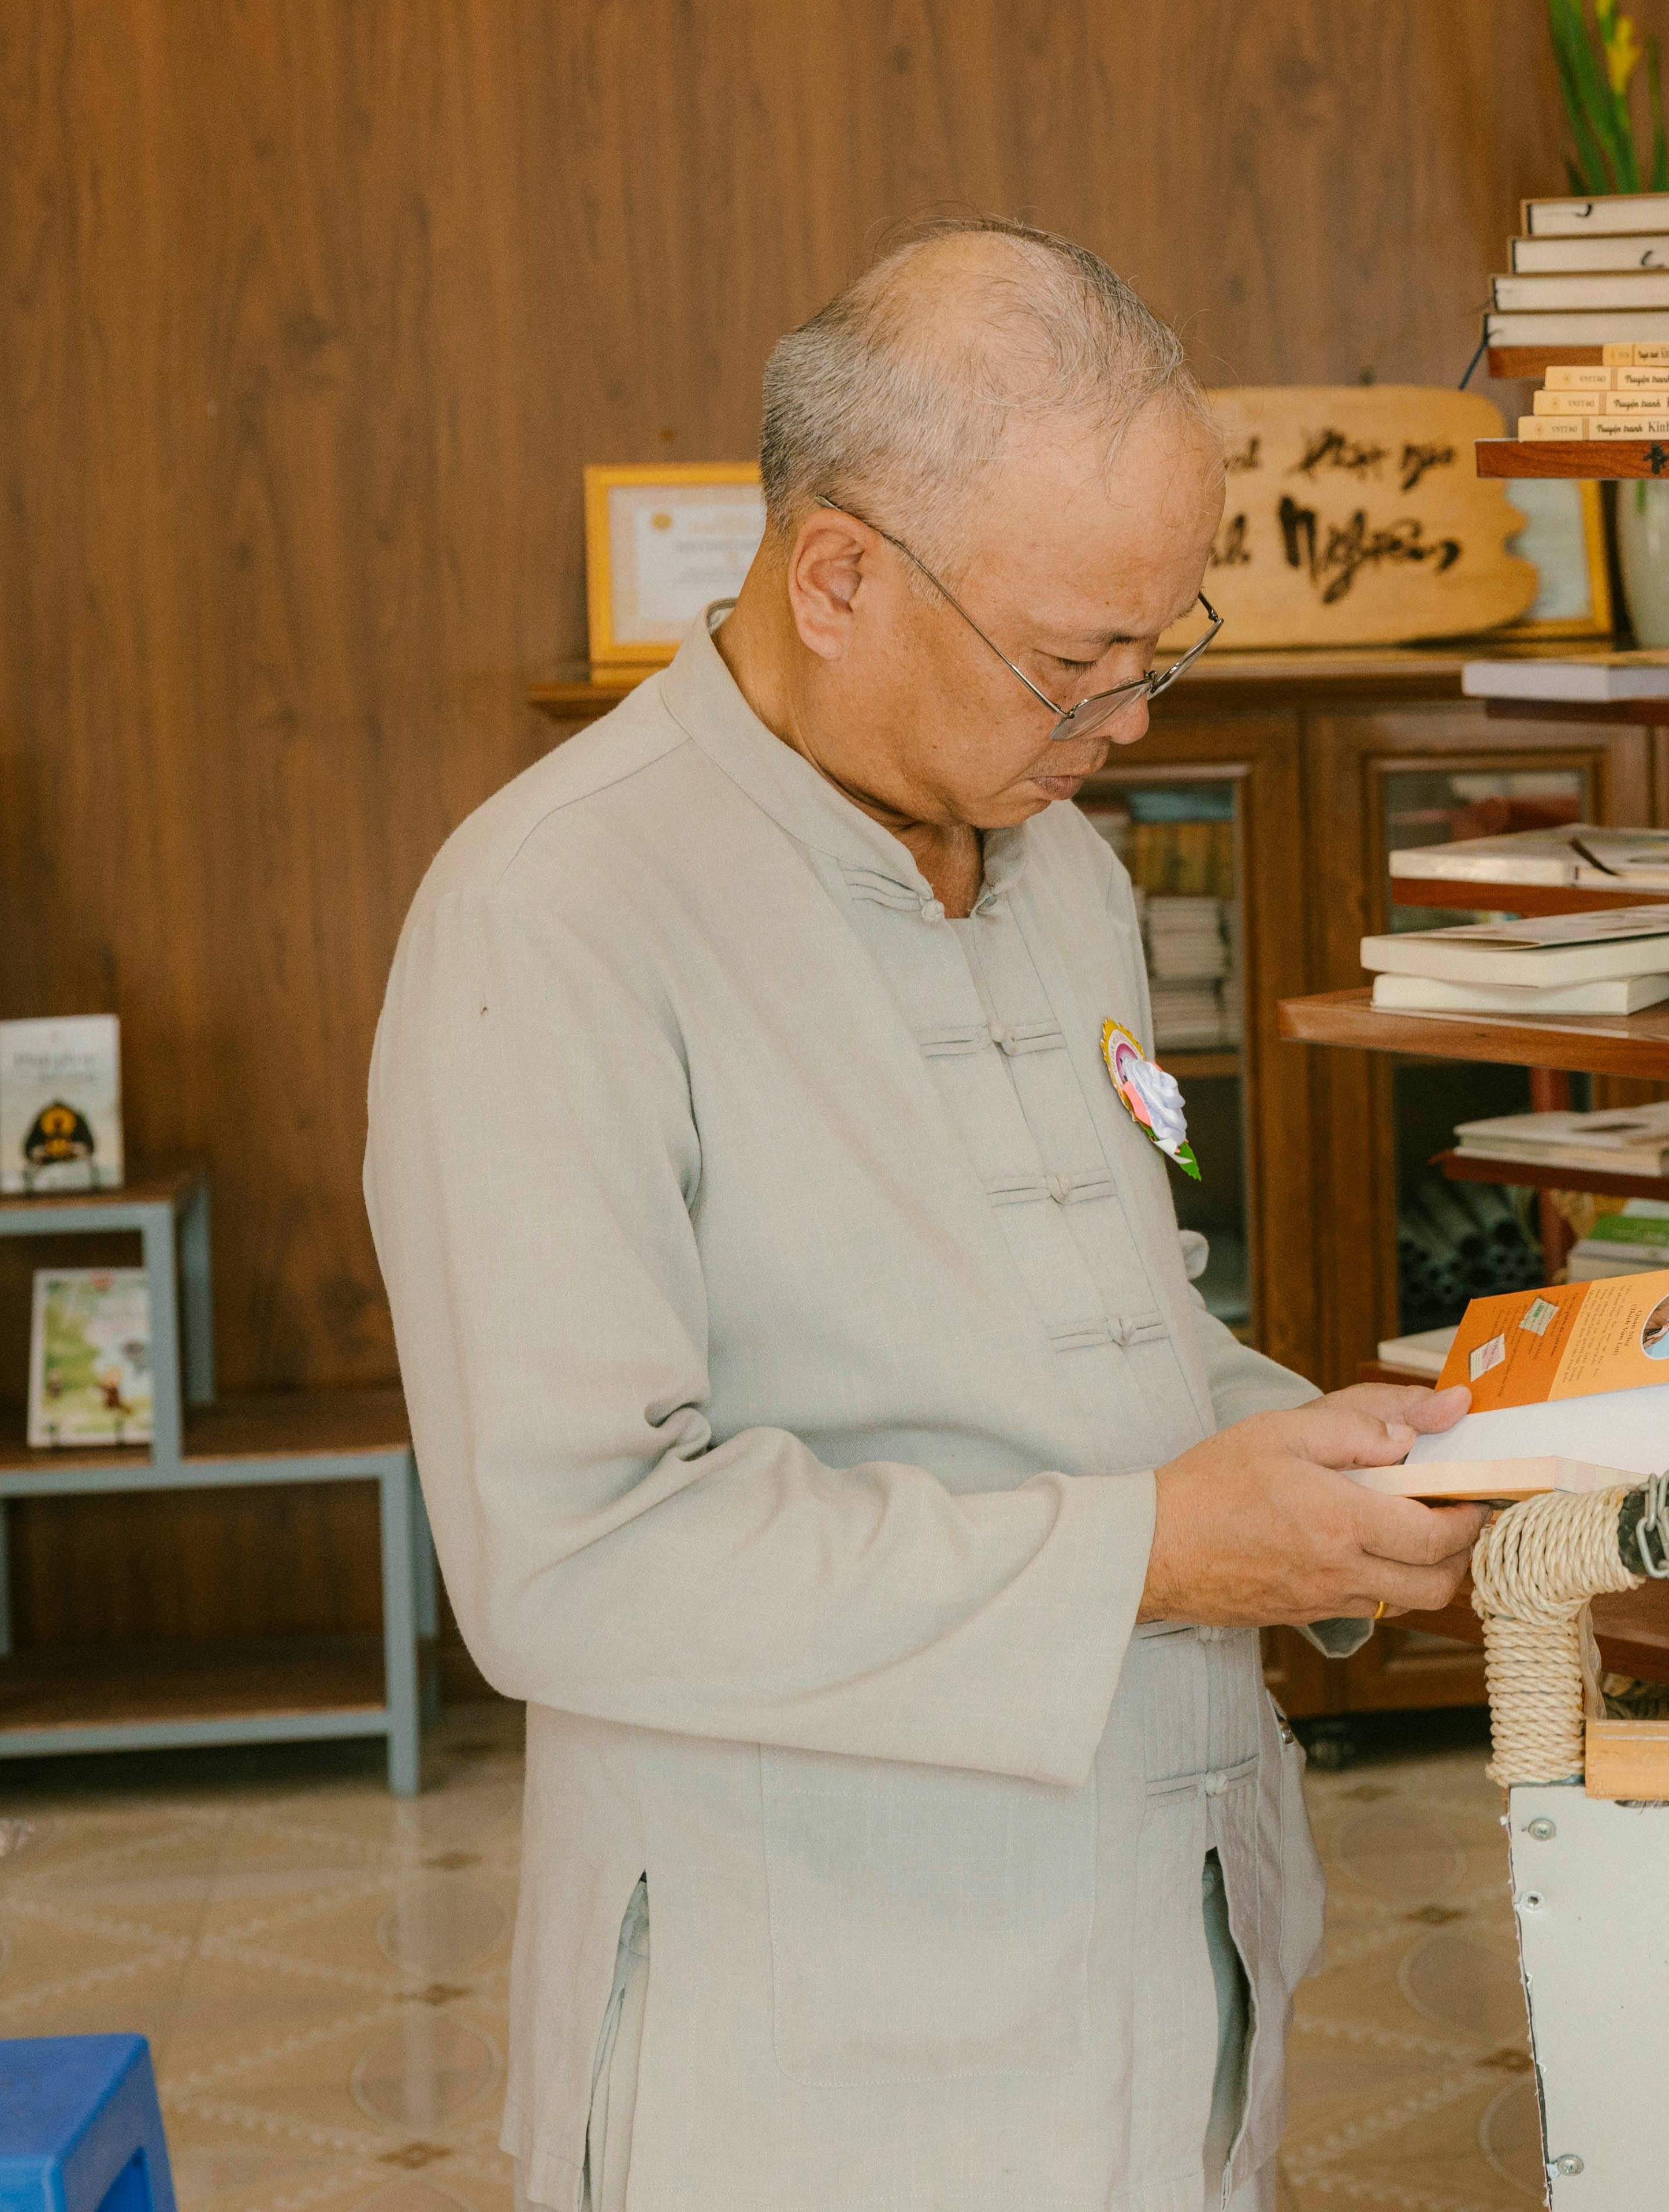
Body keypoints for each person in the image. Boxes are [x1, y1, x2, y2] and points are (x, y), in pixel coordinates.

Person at [366, 218, 1485, 2212]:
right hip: (813, 2035)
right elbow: (571, 1559)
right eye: (1076, 663)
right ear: (840, 576)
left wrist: (1342, 1464)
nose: (1131, 721)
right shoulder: (556, 916)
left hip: (1158, 1941)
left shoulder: (1060, 869)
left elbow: (1122, 1330)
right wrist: (1153, 1554)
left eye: (1165, 652)